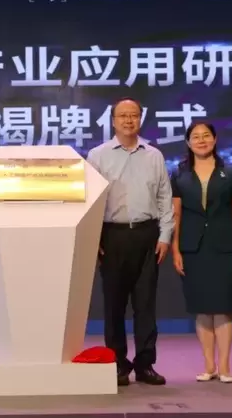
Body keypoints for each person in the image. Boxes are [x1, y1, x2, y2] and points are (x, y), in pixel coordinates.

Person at [86, 97, 174, 387]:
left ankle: (145, 365)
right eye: (122, 115)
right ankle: (117, 365)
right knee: (114, 306)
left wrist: (164, 236)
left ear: (140, 119)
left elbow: (164, 198)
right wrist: (93, 237)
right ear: (113, 121)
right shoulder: (97, 156)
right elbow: (90, 200)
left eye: (133, 115)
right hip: (112, 236)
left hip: (147, 235)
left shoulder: (154, 156)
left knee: (145, 305)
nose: (128, 120)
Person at [170, 121, 232, 384]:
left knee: (223, 308)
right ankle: (209, 366)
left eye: (206, 136)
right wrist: (175, 249)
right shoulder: (179, 175)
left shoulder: (231, 173)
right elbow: (175, 215)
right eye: (196, 137)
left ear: (214, 140)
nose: (201, 140)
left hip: (224, 247)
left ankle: (225, 366)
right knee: (202, 309)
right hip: (192, 248)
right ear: (188, 142)